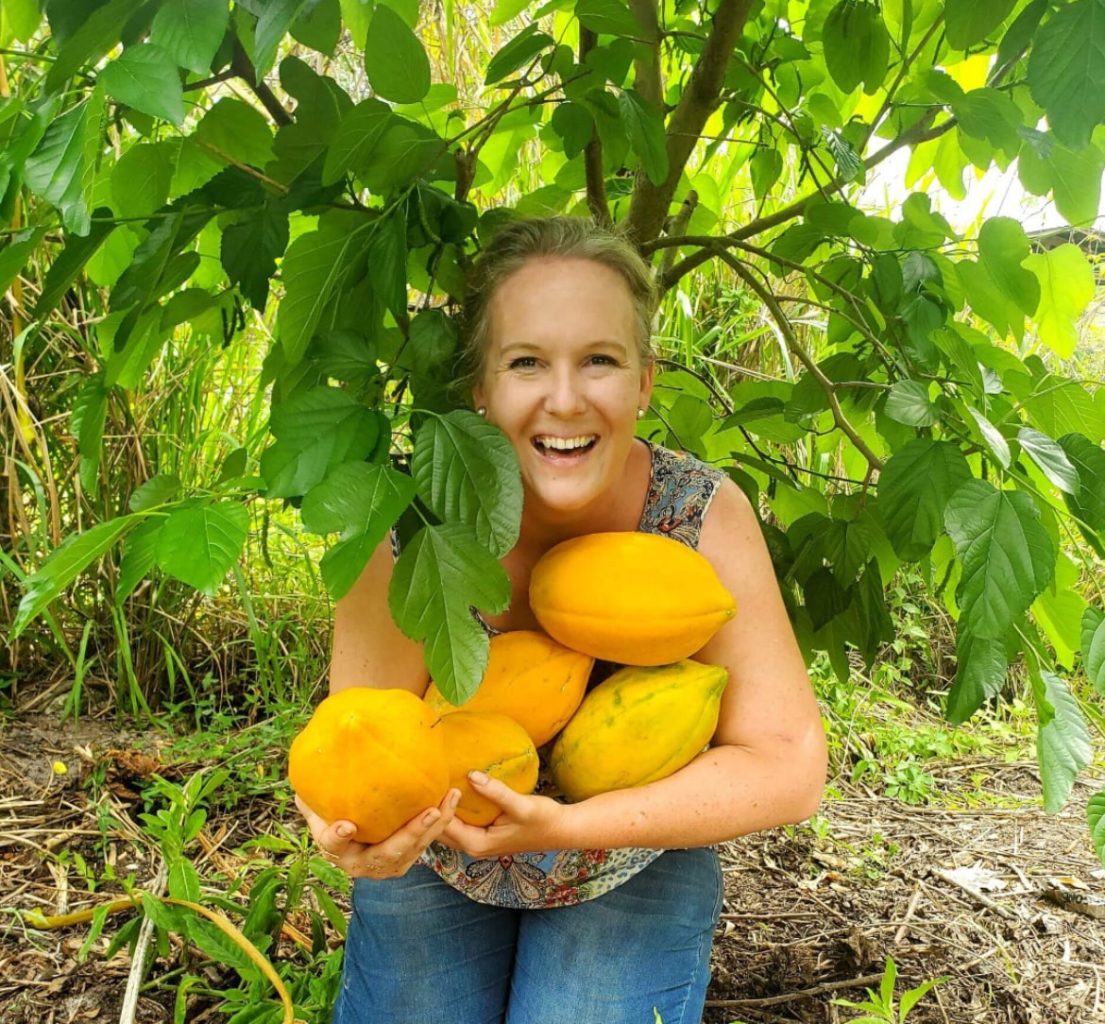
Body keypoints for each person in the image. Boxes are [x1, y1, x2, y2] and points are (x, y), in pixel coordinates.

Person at [295, 216, 827, 1024]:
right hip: (442, 855)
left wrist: (571, 825)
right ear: (480, 389)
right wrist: (345, 828)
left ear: (645, 381)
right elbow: (361, 734)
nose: (565, 398)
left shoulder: (698, 512)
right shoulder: (400, 519)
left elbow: (787, 763)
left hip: (628, 853)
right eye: (526, 363)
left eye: (600, 361)